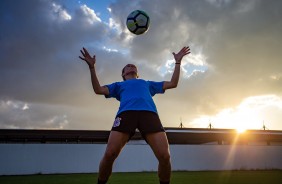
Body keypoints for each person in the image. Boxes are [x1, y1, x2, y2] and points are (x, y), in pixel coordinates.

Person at [79, 46, 190, 184]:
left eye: (133, 65)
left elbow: (173, 83)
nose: (131, 66)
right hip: (126, 115)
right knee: (110, 154)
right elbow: (98, 89)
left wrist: (178, 62)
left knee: (165, 156)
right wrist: (91, 67)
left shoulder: (147, 84)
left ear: (137, 73)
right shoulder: (118, 85)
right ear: (123, 74)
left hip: (149, 115)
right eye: (127, 66)